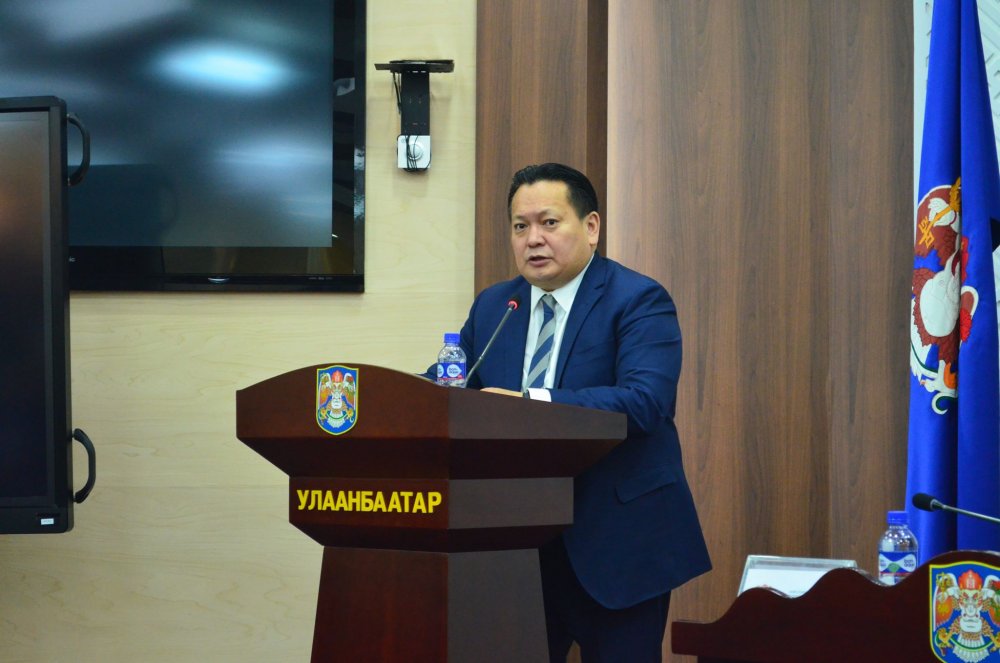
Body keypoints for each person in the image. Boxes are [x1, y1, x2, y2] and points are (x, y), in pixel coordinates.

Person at [456, 162, 711, 662]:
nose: (533, 239)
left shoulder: (638, 299)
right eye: (520, 226)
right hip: (517, 550)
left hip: (617, 545)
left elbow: (644, 402)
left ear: (591, 227)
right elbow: (454, 385)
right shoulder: (495, 307)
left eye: (549, 223)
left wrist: (530, 404)